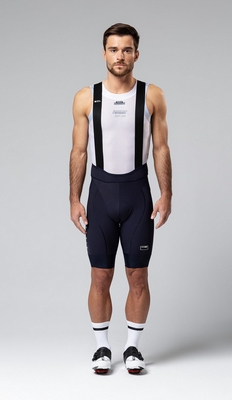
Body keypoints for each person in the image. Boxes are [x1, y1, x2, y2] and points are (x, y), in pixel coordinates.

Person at [69, 23, 172, 374]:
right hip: (100, 194)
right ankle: (101, 347)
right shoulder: (86, 97)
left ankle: (132, 347)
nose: (120, 56)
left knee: (138, 276)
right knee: (100, 276)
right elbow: (79, 151)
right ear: (104, 54)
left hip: (137, 194)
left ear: (136, 55)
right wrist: (74, 199)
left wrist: (166, 194)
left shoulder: (152, 95)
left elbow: (161, 147)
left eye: (127, 50)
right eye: (114, 49)